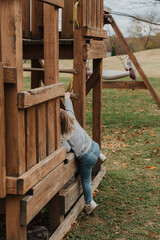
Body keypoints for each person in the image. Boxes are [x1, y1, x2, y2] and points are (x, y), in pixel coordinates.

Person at [60, 92, 106, 215]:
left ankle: (89, 204)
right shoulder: (71, 117)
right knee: (87, 138)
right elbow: (69, 107)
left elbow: (68, 148)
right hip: (94, 147)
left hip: (86, 157)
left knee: (85, 181)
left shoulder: (63, 135)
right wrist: (67, 97)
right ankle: (101, 156)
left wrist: (59, 142)